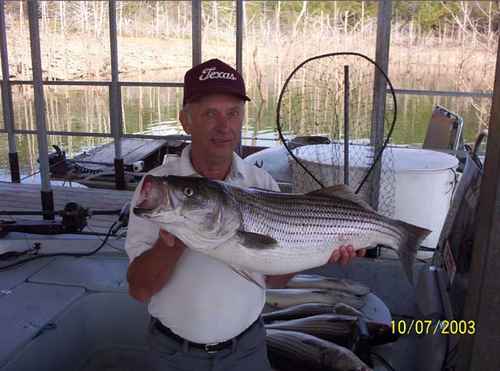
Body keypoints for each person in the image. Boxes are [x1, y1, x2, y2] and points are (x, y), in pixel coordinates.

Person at [125, 58, 365, 371]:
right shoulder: (158, 189)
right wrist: (171, 243)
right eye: (210, 113)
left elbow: (273, 277)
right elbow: (139, 289)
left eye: (233, 113)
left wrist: (320, 251)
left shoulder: (261, 183)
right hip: (172, 354)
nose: (224, 126)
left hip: (246, 352)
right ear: (186, 120)